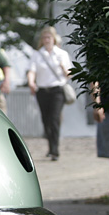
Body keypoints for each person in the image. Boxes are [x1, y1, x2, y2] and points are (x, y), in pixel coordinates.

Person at [26, 25, 73, 160]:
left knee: (54, 118)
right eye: (44, 37)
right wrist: (31, 82)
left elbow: (69, 74)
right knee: (45, 120)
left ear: (54, 38)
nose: (46, 40)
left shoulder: (61, 54)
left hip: (57, 90)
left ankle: (55, 149)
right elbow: (32, 71)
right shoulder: (37, 54)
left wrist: (63, 68)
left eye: (49, 37)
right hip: (42, 90)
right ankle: (50, 146)